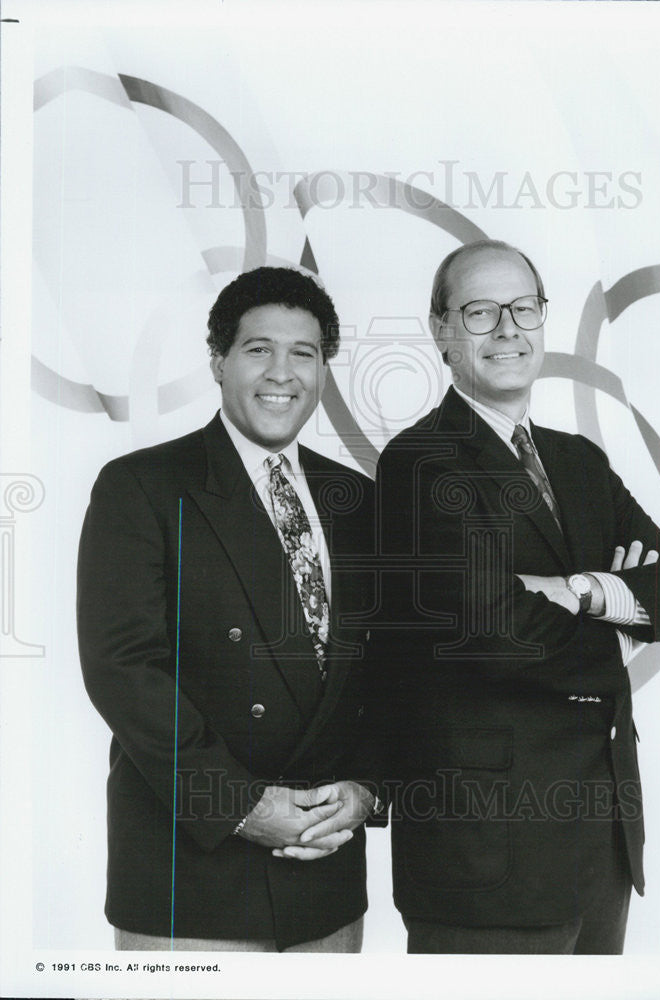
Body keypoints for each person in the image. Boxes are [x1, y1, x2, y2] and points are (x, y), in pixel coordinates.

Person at [360, 239, 660, 953]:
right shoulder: (418, 461)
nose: (507, 330)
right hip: (485, 855)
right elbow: (491, 632)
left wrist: (579, 589)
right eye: (481, 311)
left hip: (598, 842)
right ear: (441, 331)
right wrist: (621, 622)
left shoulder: (578, 462)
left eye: (523, 308)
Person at [77, 266, 378, 952]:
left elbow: (381, 673)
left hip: (324, 873)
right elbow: (122, 668)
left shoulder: (357, 499)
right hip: (192, 876)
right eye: (257, 349)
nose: (282, 373)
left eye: (303, 353)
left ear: (324, 370)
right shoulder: (142, 487)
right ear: (217, 362)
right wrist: (239, 806)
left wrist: (366, 788)